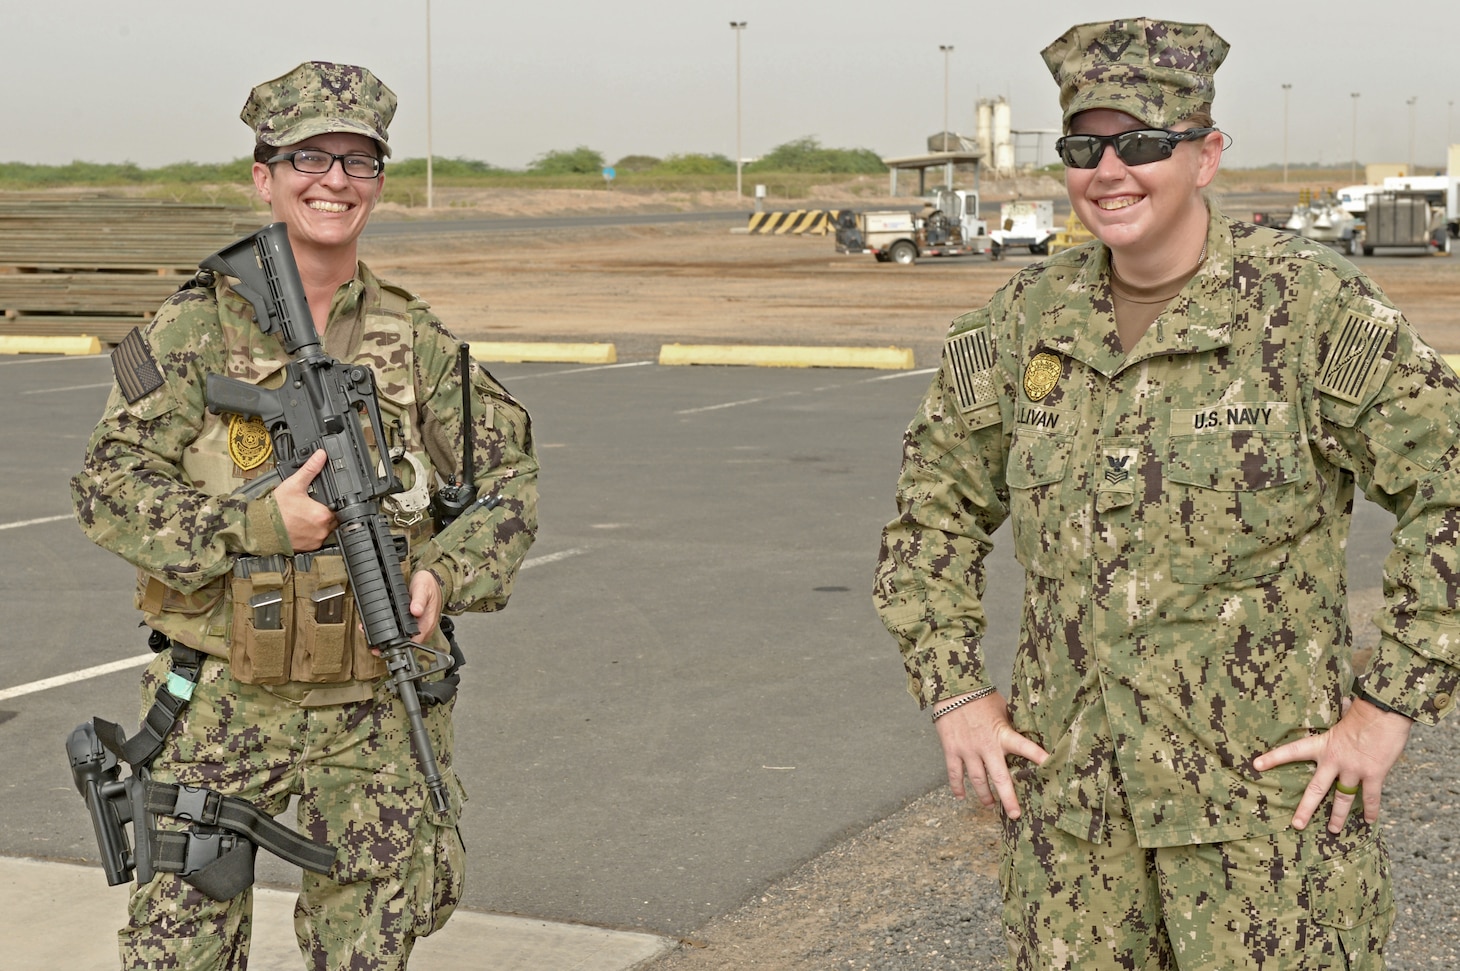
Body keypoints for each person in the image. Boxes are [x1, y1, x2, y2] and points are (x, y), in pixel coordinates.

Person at [874, 18, 1460, 970]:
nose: (1111, 171)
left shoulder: (1304, 313)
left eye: (1143, 142)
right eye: (1083, 146)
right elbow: (928, 517)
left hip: (1267, 839)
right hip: (1075, 846)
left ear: (1207, 154)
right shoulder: (1022, 324)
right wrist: (955, 694)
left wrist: (1388, 707)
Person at [70, 61, 538, 969]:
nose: (334, 181)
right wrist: (254, 525)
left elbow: (507, 483)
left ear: (378, 183)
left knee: (369, 946)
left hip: (374, 703)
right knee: (179, 953)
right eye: (309, 159)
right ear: (265, 177)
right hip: (216, 698)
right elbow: (105, 485)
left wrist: (443, 571)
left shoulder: (418, 339)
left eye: (358, 162)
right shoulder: (191, 330)